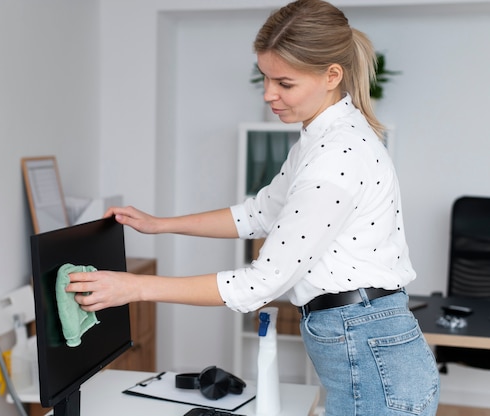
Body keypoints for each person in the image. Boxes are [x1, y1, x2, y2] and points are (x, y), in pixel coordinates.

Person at [67, 0, 440, 414]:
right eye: (265, 78)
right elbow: (258, 214)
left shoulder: (337, 156)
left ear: (332, 76)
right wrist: (159, 225)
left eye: (284, 83)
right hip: (364, 341)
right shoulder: (318, 140)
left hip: (372, 354)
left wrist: (133, 288)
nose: (269, 95)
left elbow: (262, 282)